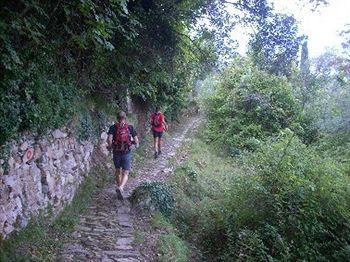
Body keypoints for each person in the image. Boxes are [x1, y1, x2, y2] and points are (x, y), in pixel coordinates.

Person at [108, 111, 139, 200]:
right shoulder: (130, 127)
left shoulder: (113, 127)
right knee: (126, 172)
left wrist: (110, 147)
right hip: (126, 153)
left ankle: (119, 187)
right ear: (125, 118)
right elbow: (136, 141)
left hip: (116, 153)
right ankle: (121, 187)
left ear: (117, 118)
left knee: (118, 171)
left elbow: (110, 140)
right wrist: (133, 144)